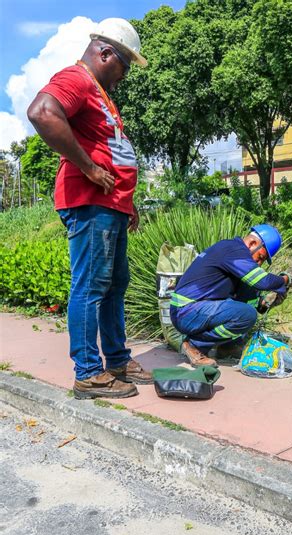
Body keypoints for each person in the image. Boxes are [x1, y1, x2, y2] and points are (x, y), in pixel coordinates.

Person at [27, 18, 153, 400]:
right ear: (104, 53)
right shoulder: (77, 79)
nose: (125, 75)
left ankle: (116, 359)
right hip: (89, 203)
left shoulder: (100, 93)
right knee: (91, 286)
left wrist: (127, 202)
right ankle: (88, 372)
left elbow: (112, 152)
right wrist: (88, 167)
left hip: (110, 205)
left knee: (115, 285)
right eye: (124, 65)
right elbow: (42, 112)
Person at [170, 224, 290, 367]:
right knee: (247, 315)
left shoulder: (235, 253)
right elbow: (263, 281)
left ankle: (228, 347)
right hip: (186, 311)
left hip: (194, 309)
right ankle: (194, 345)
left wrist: (264, 304)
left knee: (247, 291)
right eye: (260, 257)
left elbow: (247, 295)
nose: (259, 263)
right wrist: (284, 280)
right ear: (252, 243)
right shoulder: (233, 250)